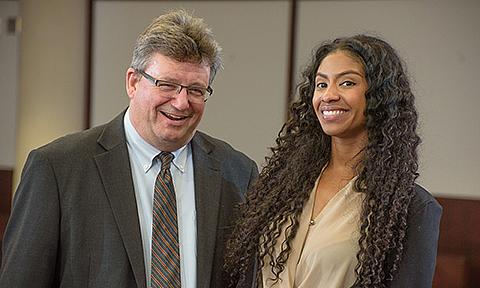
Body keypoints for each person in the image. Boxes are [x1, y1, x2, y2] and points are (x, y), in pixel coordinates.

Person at [0, 9, 258, 288]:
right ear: (133, 82)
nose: (182, 102)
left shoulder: (238, 174)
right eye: (167, 85)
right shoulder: (58, 169)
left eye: (195, 90)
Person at [225, 34, 442, 288]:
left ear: (380, 97)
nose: (329, 95)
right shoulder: (281, 187)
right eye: (321, 84)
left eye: (347, 83)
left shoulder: (411, 208)